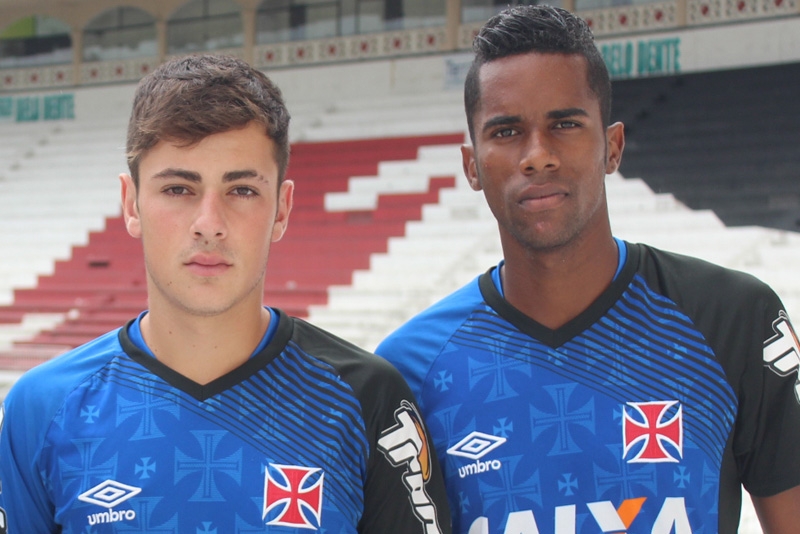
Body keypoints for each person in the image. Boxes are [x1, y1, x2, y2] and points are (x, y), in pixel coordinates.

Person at [376, 5, 800, 534]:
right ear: (472, 166)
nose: (537, 156)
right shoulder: (407, 372)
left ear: (613, 147)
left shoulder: (730, 320)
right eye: (506, 131)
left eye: (565, 124)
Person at [0, 54, 451, 534]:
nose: (209, 224)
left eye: (241, 190)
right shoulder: (42, 409)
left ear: (281, 209)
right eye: (178, 189)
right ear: (131, 204)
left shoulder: (366, 400)